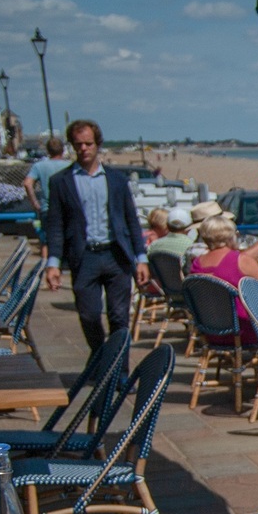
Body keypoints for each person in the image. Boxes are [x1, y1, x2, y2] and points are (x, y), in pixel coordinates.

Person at [44, 119, 151, 352]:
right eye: (78, 144)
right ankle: (100, 358)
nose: (84, 149)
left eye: (88, 144)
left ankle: (119, 374)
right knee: (89, 315)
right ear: (72, 146)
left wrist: (141, 258)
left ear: (97, 145)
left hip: (116, 254)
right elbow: (55, 225)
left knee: (119, 317)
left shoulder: (116, 180)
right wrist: (53, 263)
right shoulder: (61, 182)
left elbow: (131, 220)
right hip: (85, 258)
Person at [188, 216, 258, 347]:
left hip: (210, 333)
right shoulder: (240, 260)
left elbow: (235, 262)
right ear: (230, 236)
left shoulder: (197, 263)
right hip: (244, 332)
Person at [22, 137, 71, 287]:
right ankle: (64, 273)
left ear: (48, 150)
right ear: (62, 150)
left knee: (46, 242)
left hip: (47, 209)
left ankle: (48, 275)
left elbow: (27, 183)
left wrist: (34, 202)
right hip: (67, 209)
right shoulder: (70, 165)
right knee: (68, 241)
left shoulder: (40, 166)